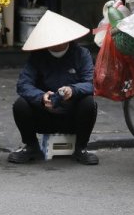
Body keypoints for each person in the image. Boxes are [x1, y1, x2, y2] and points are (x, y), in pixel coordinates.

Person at [8, 10, 99, 165]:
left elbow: (91, 83)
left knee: (89, 103)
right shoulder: (37, 56)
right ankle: (31, 146)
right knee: (20, 104)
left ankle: (81, 148)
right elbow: (23, 84)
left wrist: (73, 90)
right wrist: (41, 97)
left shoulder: (81, 54)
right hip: (44, 114)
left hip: (72, 114)